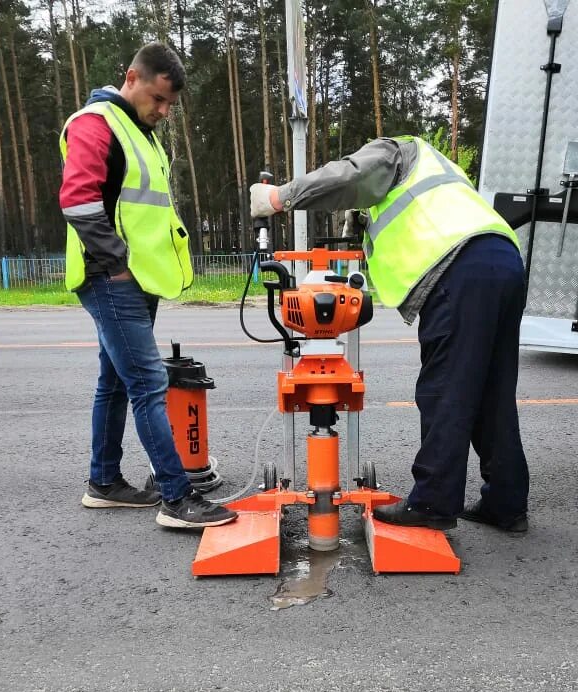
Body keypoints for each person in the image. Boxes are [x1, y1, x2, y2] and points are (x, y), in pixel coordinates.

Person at [250, 136, 530, 533]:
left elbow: (348, 175)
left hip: (459, 268)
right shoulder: (441, 171)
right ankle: (506, 503)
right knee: (493, 392)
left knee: (445, 390)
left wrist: (279, 197)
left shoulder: (397, 148)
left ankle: (433, 504)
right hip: (502, 261)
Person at [59, 42, 237, 529]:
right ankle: (177, 499)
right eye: (158, 99)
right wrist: (115, 263)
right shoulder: (96, 123)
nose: (163, 111)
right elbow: (77, 199)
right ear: (131, 77)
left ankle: (104, 482)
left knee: (115, 382)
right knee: (148, 384)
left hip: (138, 279)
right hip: (112, 278)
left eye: (170, 105)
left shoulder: (139, 133)